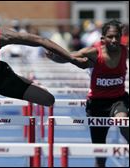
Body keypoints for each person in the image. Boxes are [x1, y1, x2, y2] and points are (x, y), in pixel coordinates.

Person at [46, 20, 129, 167]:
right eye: (110, 37)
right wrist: (54, 56)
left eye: (117, 36)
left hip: (119, 99)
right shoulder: (93, 52)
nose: (114, 40)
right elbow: (69, 57)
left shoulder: (125, 51)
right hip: (97, 104)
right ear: (103, 38)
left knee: (123, 121)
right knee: (100, 154)